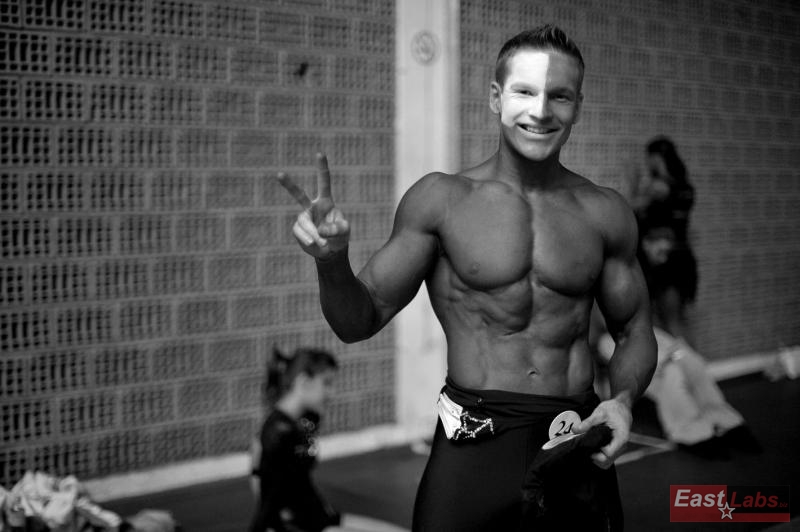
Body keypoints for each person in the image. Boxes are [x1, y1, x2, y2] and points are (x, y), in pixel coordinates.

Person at [278, 25, 657, 531]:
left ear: (577, 106)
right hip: (475, 442)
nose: (541, 111)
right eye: (525, 92)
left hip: (575, 435)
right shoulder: (442, 201)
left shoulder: (605, 213)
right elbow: (357, 321)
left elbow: (634, 329)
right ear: (496, 97)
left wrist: (624, 401)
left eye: (559, 96)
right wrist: (332, 262)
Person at [249, 346, 341, 532]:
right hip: (288, 524)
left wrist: (325, 514)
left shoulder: (307, 420)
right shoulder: (278, 431)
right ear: (304, 382)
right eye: (326, 383)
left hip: (311, 515)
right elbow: (266, 491)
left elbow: (302, 482)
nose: (332, 393)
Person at [630, 137, 698, 342]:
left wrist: (632, 182)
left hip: (664, 261)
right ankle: (689, 361)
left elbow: (629, 208)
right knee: (676, 321)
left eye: (648, 158)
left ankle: (688, 362)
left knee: (669, 323)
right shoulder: (684, 186)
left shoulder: (659, 187)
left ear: (656, 158)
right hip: (682, 256)